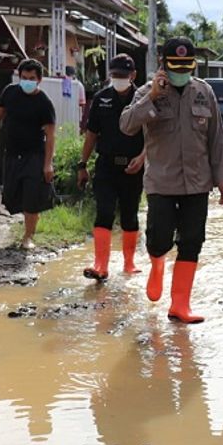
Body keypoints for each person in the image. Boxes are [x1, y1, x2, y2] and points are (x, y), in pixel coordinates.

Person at [119, 36, 223, 324]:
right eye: (175, 67)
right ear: (163, 65)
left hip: (198, 182)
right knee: (159, 239)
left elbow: (216, 138)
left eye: (186, 66)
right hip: (162, 182)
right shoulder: (147, 91)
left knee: (192, 241)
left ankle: (180, 305)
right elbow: (127, 125)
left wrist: (222, 178)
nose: (181, 72)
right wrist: (152, 97)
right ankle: (157, 265)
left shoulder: (204, 92)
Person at [77, 53, 146, 281]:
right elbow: (91, 134)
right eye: (115, 75)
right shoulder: (101, 98)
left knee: (129, 214)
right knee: (104, 211)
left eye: (123, 76)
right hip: (106, 165)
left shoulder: (143, 98)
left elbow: (154, 136)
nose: (119, 79)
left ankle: (129, 263)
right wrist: (82, 164)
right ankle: (101, 265)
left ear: (133, 75)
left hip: (133, 167)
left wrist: (143, 158)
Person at [0, 59, 56, 250]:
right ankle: (25, 228)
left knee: (32, 196)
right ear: (19, 77)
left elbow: (50, 136)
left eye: (31, 78)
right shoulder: (10, 93)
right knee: (13, 194)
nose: (27, 81)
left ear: (39, 80)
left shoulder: (44, 103)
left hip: (34, 155)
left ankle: (28, 236)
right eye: (24, 78)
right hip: (12, 153)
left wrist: (48, 164)